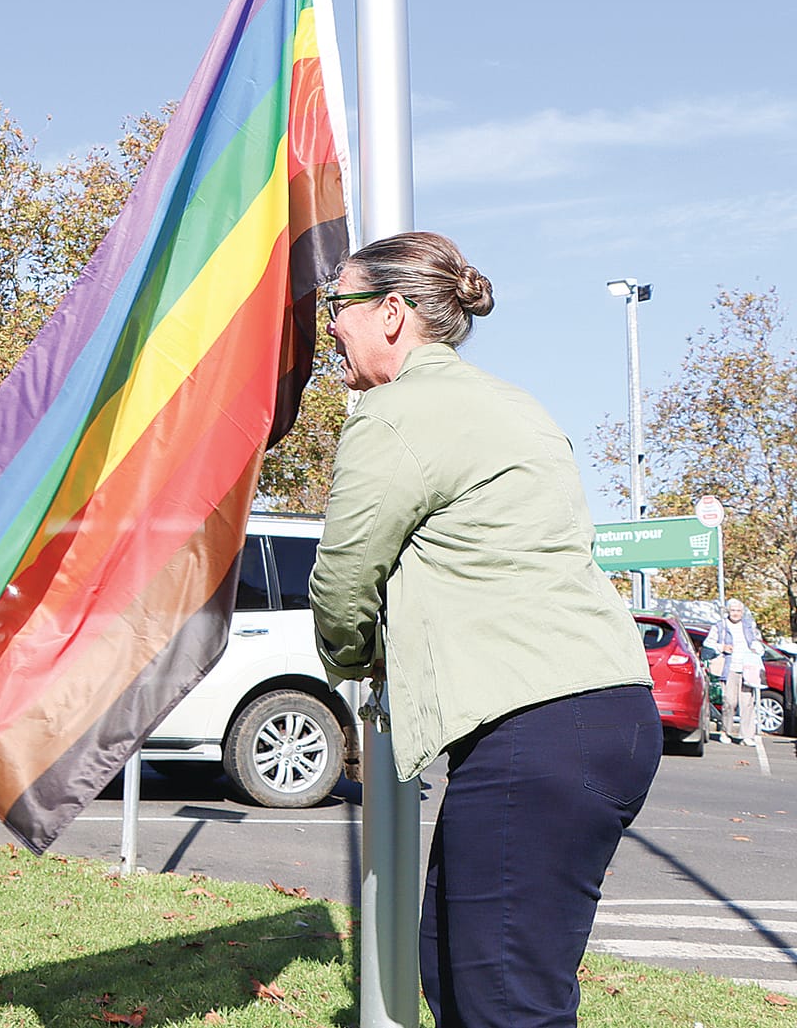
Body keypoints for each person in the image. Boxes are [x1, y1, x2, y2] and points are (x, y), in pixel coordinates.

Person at [307, 231, 659, 1028]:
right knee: (460, 970)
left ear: (392, 312)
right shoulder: (514, 403)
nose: (331, 323)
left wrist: (358, 658)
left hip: (536, 725)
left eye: (341, 304)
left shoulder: (395, 413)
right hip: (600, 714)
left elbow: (342, 580)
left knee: (505, 999)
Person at [709, 597, 766, 744]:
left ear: (742, 612)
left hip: (747, 668)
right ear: (728, 611)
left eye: (739, 611)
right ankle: (725, 732)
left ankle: (747, 736)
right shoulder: (720, 626)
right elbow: (708, 642)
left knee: (747, 702)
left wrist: (756, 649)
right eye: (733, 610)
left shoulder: (749, 626)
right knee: (729, 702)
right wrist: (722, 647)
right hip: (729, 669)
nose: (736, 613)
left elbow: (758, 643)